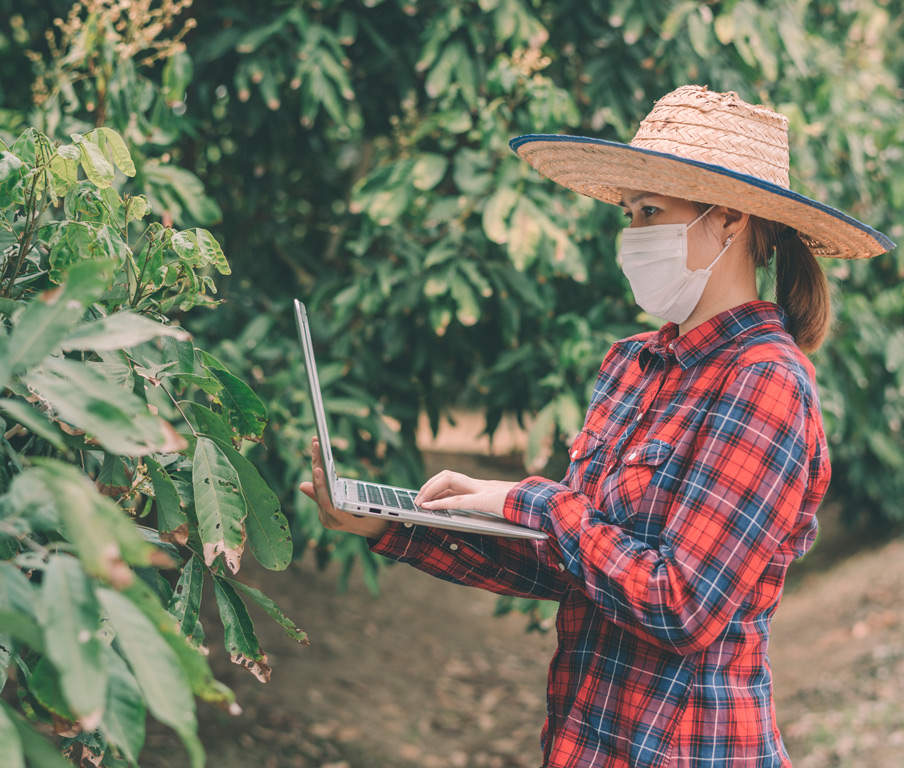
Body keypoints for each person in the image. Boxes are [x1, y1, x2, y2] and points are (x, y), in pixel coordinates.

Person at [300, 85, 895, 767]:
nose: (632, 234)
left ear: (728, 221)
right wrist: (395, 525)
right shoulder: (633, 365)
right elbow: (580, 565)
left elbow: (681, 605)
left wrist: (531, 501)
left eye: (650, 212)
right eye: (628, 212)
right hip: (589, 741)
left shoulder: (765, 383)